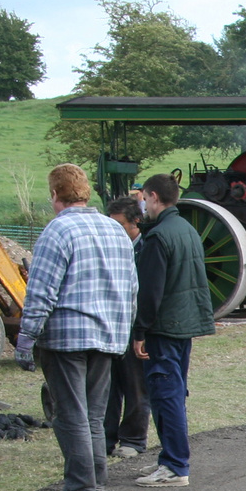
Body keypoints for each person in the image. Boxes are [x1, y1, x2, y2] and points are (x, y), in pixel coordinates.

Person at [14, 164, 138, 491]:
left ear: (54, 194)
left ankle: (80, 488)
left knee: (69, 414)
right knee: (95, 415)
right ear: (85, 192)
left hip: (66, 337)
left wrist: (25, 341)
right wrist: (122, 333)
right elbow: (131, 289)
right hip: (108, 336)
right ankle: (96, 484)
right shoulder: (115, 231)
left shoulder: (57, 231)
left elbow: (41, 293)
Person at [131, 173, 215, 489]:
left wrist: (140, 331)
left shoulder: (158, 237)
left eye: (144, 198)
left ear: (153, 197)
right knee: (175, 394)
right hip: (185, 325)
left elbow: (151, 292)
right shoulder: (188, 230)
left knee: (166, 395)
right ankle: (172, 460)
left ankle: (175, 465)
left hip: (164, 328)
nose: (142, 205)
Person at [103, 196, 150, 461]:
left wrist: (141, 331)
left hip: (134, 327)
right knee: (108, 386)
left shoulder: (146, 249)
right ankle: (106, 438)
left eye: (119, 224)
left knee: (135, 385)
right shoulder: (109, 248)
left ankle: (133, 439)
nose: (114, 229)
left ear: (136, 222)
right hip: (111, 325)